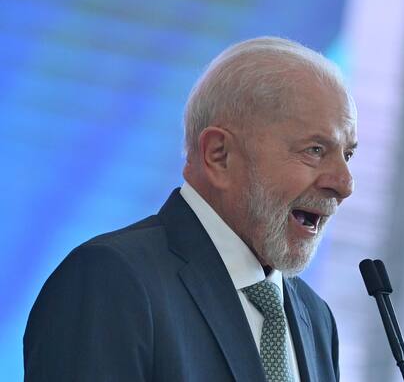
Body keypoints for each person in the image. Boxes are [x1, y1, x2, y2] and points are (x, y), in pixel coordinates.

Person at [23, 36, 358, 382]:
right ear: (219, 155)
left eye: (347, 155)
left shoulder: (315, 317)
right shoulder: (112, 280)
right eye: (315, 150)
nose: (345, 184)